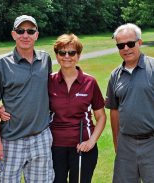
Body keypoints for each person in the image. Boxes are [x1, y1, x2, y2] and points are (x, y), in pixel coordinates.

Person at [105, 23, 154, 183]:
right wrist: (117, 143)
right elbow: (114, 111)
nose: (126, 48)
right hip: (126, 144)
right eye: (121, 45)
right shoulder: (115, 75)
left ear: (139, 42)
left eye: (130, 43)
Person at [0, 15, 54, 182]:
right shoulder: (2, 63)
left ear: (36, 35)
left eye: (30, 31)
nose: (25, 35)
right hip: (11, 140)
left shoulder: (45, 59)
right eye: (20, 31)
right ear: (13, 34)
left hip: (41, 137)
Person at [49, 33, 106, 183]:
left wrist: (92, 141)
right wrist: (5, 109)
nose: (67, 56)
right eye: (62, 52)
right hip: (54, 146)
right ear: (57, 55)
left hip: (83, 146)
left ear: (78, 56)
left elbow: (101, 117)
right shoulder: (48, 81)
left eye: (72, 52)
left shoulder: (90, 82)